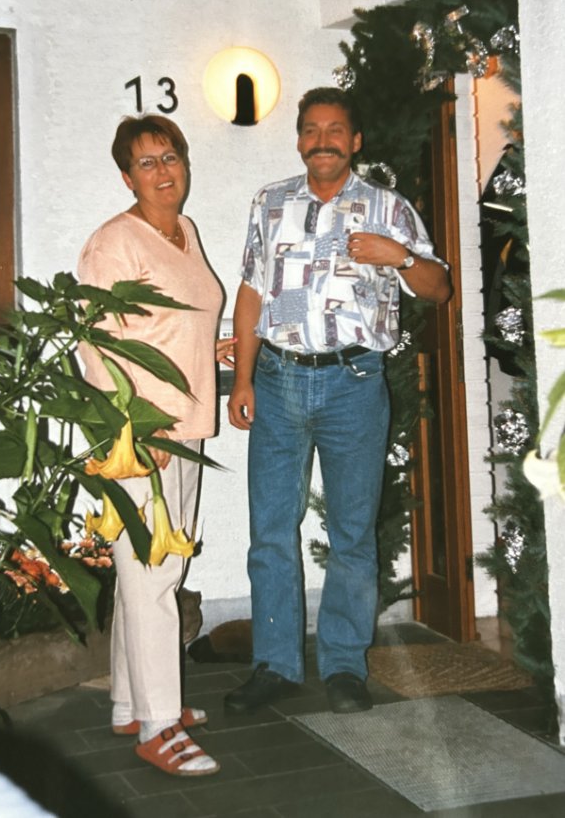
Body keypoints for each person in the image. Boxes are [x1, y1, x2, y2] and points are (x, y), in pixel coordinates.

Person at [225, 87, 451, 714]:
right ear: (300, 139)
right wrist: (242, 379)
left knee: (352, 530)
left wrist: (398, 255)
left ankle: (345, 665)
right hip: (277, 380)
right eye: (311, 129)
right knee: (271, 530)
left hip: (354, 383)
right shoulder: (270, 202)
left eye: (335, 130)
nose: (322, 140)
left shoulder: (387, 207)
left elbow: (438, 288)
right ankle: (275, 665)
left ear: (354, 141)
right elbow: (251, 293)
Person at [78, 114, 233, 776]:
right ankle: (159, 726)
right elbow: (97, 344)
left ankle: (129, 703)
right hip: (143, 432)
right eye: (147, 163)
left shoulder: (185, 232)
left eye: (171, 157)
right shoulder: (114, 242)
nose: (164, 171)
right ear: (126, 177)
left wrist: (209, 351)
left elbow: (166, 327)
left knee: (149, 573)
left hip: (183, 427)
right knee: (152, 576)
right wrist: (139, 425)